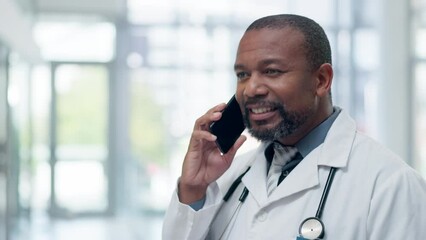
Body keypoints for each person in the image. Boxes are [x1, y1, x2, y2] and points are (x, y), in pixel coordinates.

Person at [162, 14, 426, 240]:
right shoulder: (228, 177)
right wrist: (193, 191)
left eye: (272, 71)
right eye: (243, 74)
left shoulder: (390, 184)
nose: (251, 88)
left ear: (321, 80)